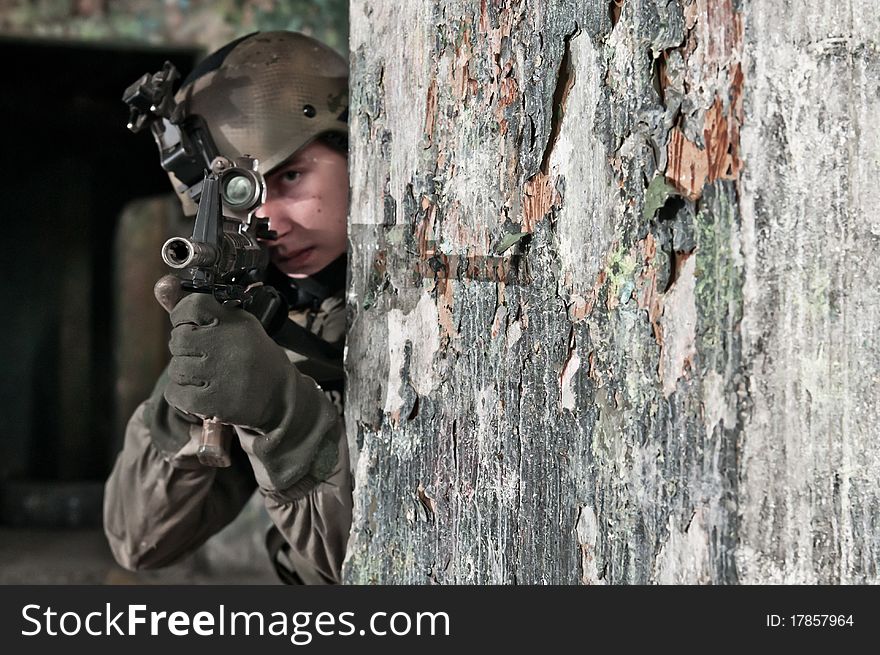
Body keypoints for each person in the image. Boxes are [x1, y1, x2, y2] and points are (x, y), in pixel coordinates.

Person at [103, 31, 352, 585]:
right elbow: (137, 541)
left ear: (352, 149)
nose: (273, 224)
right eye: (244, 201)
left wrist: (283, 414)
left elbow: (384, 559)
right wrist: (189, 392)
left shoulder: (419, 309)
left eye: (291, 176)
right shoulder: (272, 320)